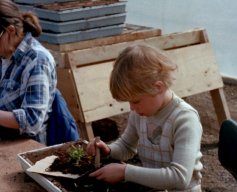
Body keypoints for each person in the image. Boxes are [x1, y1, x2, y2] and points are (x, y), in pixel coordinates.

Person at [86, 44, 203, 191]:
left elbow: (179, 178)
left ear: (158, 87)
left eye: (135, 101)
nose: (132, 107)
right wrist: (108, 150)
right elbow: (127, 146)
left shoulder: (185, 119)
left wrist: (125, 172)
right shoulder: (140, 112)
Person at [0, 0, 57, 144]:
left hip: (24, 146)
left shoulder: (37, 60)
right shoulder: (5, 53)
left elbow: (32, 120)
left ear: (10, 31)